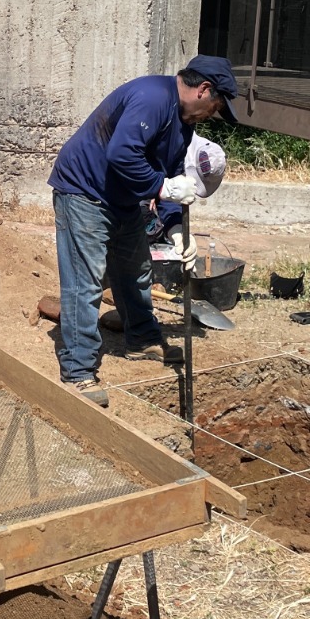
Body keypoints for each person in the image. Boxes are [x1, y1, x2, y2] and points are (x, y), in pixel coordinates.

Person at [48, 55, 239, 407]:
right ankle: (78, 371)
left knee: (134, 271)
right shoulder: (153, 98)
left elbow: (166, 175)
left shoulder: (182, 125)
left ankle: (141, 340)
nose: (213, 114)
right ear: (204, 90)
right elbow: (122, 155)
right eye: (215, 106)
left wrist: (177, 228)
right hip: (84, 191)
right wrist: (162, 188)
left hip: (121, 198)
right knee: (85, 282)